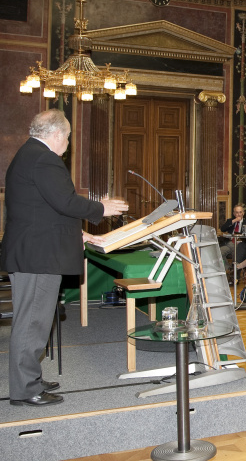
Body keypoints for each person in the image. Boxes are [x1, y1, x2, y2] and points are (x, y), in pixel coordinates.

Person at [2, 109, 128, 407]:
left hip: (35, 251)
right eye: (68, 137)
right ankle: (24, 389)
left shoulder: (29, 154)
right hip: (38, 256)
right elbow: (66, 202)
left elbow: (45, 210)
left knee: (34, 321)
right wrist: (101, 208)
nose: (68, 144)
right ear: (57, 134)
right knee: (32, 322)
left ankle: (28, 377)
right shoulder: (44, 158)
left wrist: (80, 236)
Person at [218, 203, 246, 269]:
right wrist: (234, 221)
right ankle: (229, 269)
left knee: (236, 251)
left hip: (240, 244)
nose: (239, 214)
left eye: (240, 212)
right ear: (234, 214)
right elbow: (223, 229)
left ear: (243, 213)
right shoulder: (230, 221)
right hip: (229, 243)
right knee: (219, 252)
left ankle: (235, 272)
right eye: (237, 212)